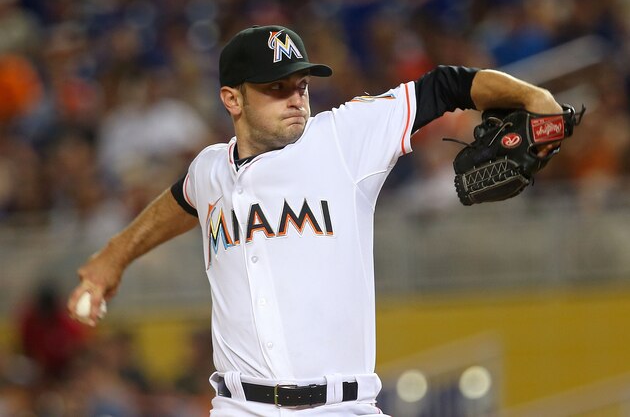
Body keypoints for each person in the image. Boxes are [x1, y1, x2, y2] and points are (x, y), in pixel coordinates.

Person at [67, 25, 562, 416]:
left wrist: (533, 99)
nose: (295, 97)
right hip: (238, 407)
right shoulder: (210, 169)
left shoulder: (343, 138)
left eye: (301, 84)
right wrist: (114, 256)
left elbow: (446, 85)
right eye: (275, 87)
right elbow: (180, 201)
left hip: (341, 406)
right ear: (232, 99)